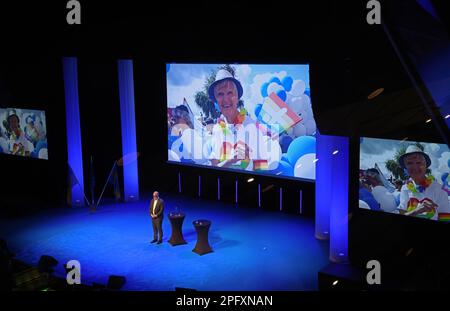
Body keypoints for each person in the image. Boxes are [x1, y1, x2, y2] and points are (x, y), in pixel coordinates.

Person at [207, 69, 277, 170]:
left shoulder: (250, 126)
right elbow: (214, 166)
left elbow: (262, 167)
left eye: (230, 93)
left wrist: (248, 162)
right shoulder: (217, 128)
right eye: (220, 94)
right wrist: (230, 161)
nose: (226, 99)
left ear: (237, 97)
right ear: (216, 100)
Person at [397, 145, 450, 221]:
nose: (415, 167)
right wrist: (416, 211)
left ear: (426, 166)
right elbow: (402, 212)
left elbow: (446, 219)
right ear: (405, 167)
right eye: (409, 163)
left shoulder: (439, 189)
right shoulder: (405, 188)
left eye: (419, 162)